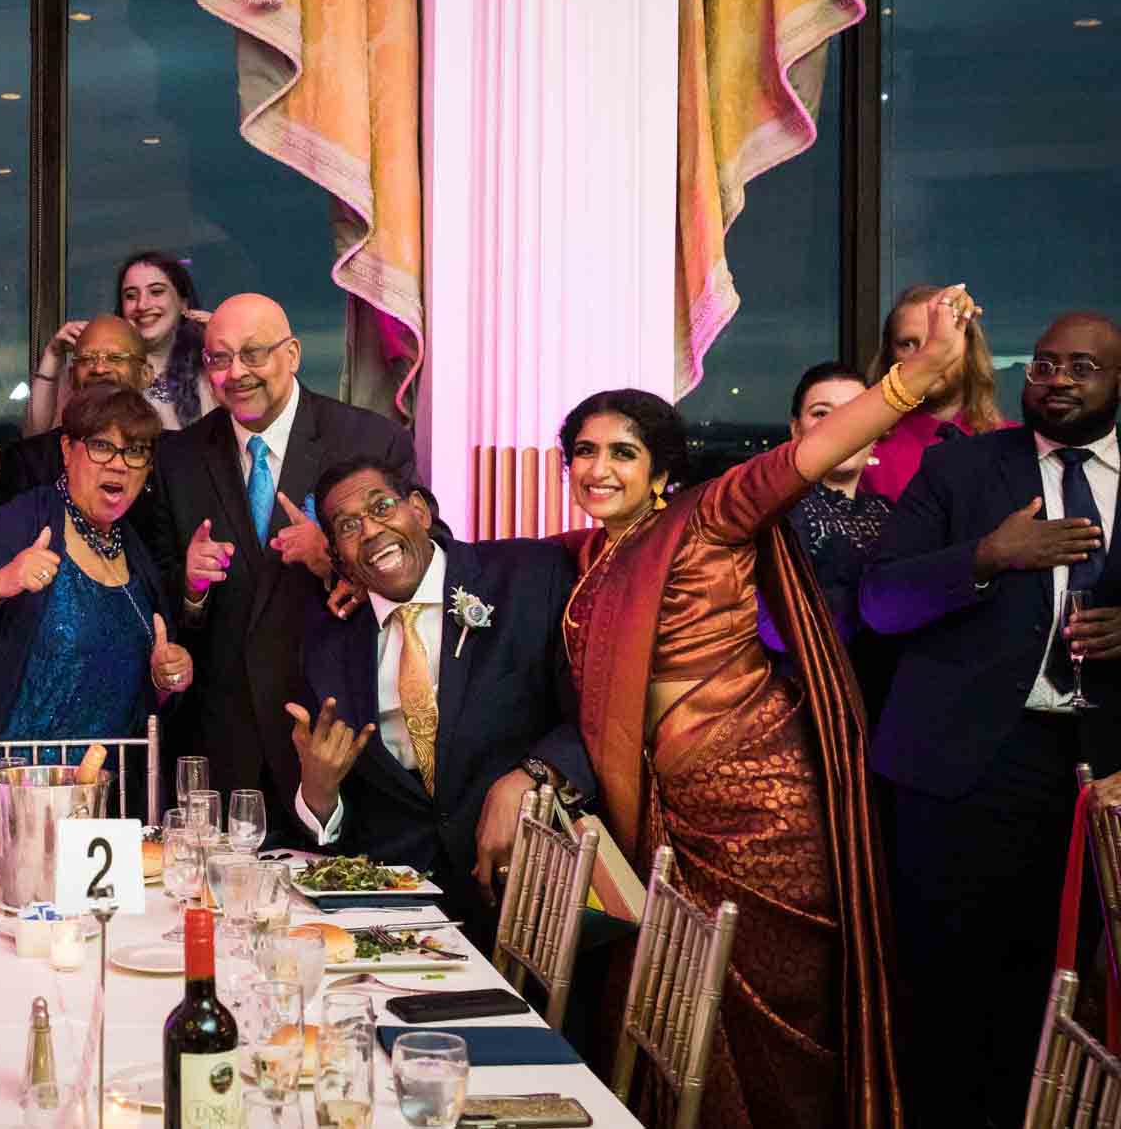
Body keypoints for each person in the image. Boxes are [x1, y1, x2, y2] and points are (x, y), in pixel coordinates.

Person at [553, 289, 978, 1129]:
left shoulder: (707, 516)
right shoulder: (597, 555)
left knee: (778, 1013)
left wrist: (910, 379)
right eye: (583, 452)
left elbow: (806, 457)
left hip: (759, 810)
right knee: (676, 1016)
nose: (599, 468)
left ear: (663, 470)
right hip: (673, 815)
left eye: (623, 452)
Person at [862, 311, 1121, 1129]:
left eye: (1082, 366)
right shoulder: (961, 470)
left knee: (1078, 1000)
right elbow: (878, 599)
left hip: (1100, 772)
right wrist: (987, 556)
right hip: (964, 773)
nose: (1057, 380)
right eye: (1044, 364)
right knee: (954, 1000)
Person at [287, 459, 593, 925]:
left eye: (382, 507)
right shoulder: (327, 643)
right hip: (396, 918)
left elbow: (598, 712)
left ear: (421, 511)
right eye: (349, 526)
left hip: (526, 895)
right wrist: (318, 793)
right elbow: (338, 823)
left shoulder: (527, 577)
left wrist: (528, 777)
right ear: (338, 558)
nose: (370, 530)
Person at [153, 293, 418, 823]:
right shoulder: (177, 458)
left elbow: (420, 567)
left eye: (254, 354)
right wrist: (189, 587)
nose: (236, 374)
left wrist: (333, 560)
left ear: (292, 354)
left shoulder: (369, 441)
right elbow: (158, 597)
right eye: (219, 359)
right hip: (221, 746)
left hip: (333, 737)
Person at [0, 385, 194, 831]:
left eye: (135, 451)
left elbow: (129, 695)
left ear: (147, 468)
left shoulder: (137, 556)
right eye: (101, 445)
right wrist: (2, 582)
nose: (118, 462)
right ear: (67, 451)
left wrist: (165, 678)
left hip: (98, 817)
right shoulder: (20, 526)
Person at [754, 363, 895, 666]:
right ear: (795, 429)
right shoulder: (774, 513)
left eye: (855, 413)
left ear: (877, 429)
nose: (840, 427)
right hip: (803, 696)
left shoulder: (891, 513)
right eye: (821, 413)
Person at [22, 253, 213, 436]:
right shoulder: (96, 369)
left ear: (183, 303)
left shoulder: (210, 370)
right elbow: (35, 436)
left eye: (156, 292)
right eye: (130, 296)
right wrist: (52, 354)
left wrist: (229, 341)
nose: (142, 305)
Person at [859, 282, 1004, 502]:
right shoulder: (862, 449)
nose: (927, 354)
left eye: (941, 340)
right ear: (889, 355)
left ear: (969, 350)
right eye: (908, 343)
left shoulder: (1013, 445)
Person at [0, 313, 151, 504]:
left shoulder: (176, 456)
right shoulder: (30, 462)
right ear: (71, 377)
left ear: (146, 375)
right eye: (87, 358)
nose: (99, 369)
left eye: (115, 357)